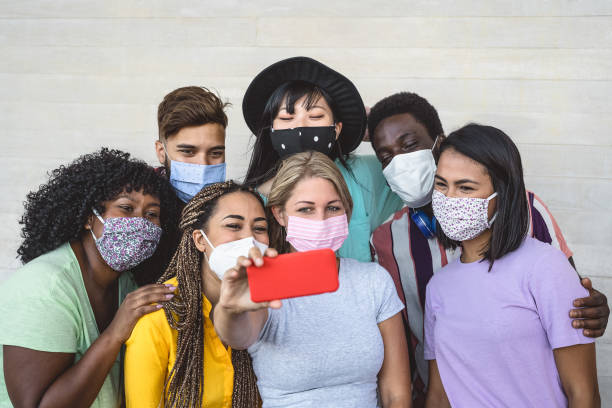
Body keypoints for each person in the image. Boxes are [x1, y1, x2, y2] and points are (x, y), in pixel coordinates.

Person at [367, 92, 609, 406]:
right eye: (386, 156)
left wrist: (590, 309)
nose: (399, 161)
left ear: (438, 144)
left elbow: (573, 308)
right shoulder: (390, 244)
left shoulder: (531, 217)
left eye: (410, 145)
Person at [214, 151, 412, 408]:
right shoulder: (265, 281)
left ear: (347, 212)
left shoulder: (373, 281)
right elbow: (237, 337)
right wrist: (229, 309)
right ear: (279, 214)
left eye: (332, 208)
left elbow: (395, 393)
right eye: (305, 209)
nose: (321, 220)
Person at [424, 124, 599, 407]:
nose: (449, 199)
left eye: (465, 187)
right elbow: (440, 395)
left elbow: (583, 393)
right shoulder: (439, 287)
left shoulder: (545, 267)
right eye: (441, 184)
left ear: (502, 194)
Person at [0, 148, 180, 407]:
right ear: (89, 217)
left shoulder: (127, 284)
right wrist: (115, 333)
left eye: (152, 214)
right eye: (126, 208)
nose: (140, 223)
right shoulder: (43, 290)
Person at [242, 56, 403, 262]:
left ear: (336, 129)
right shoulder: (256, 198)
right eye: (286, 118)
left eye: (316, 117)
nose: (301, 127)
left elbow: (429, 175)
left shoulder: (365, 174)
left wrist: (383, 128)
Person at [124, 181, 267, 408]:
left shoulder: (268, 309)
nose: (249, 240)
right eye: (233, 225)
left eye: (259, 229)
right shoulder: (158, 318)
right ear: (200, 240)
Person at [155, 86, 230, 203]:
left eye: (216, 153)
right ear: (161, 152)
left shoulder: (234, 207)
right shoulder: (140, 206)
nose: (203, 164)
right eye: (188, 152)